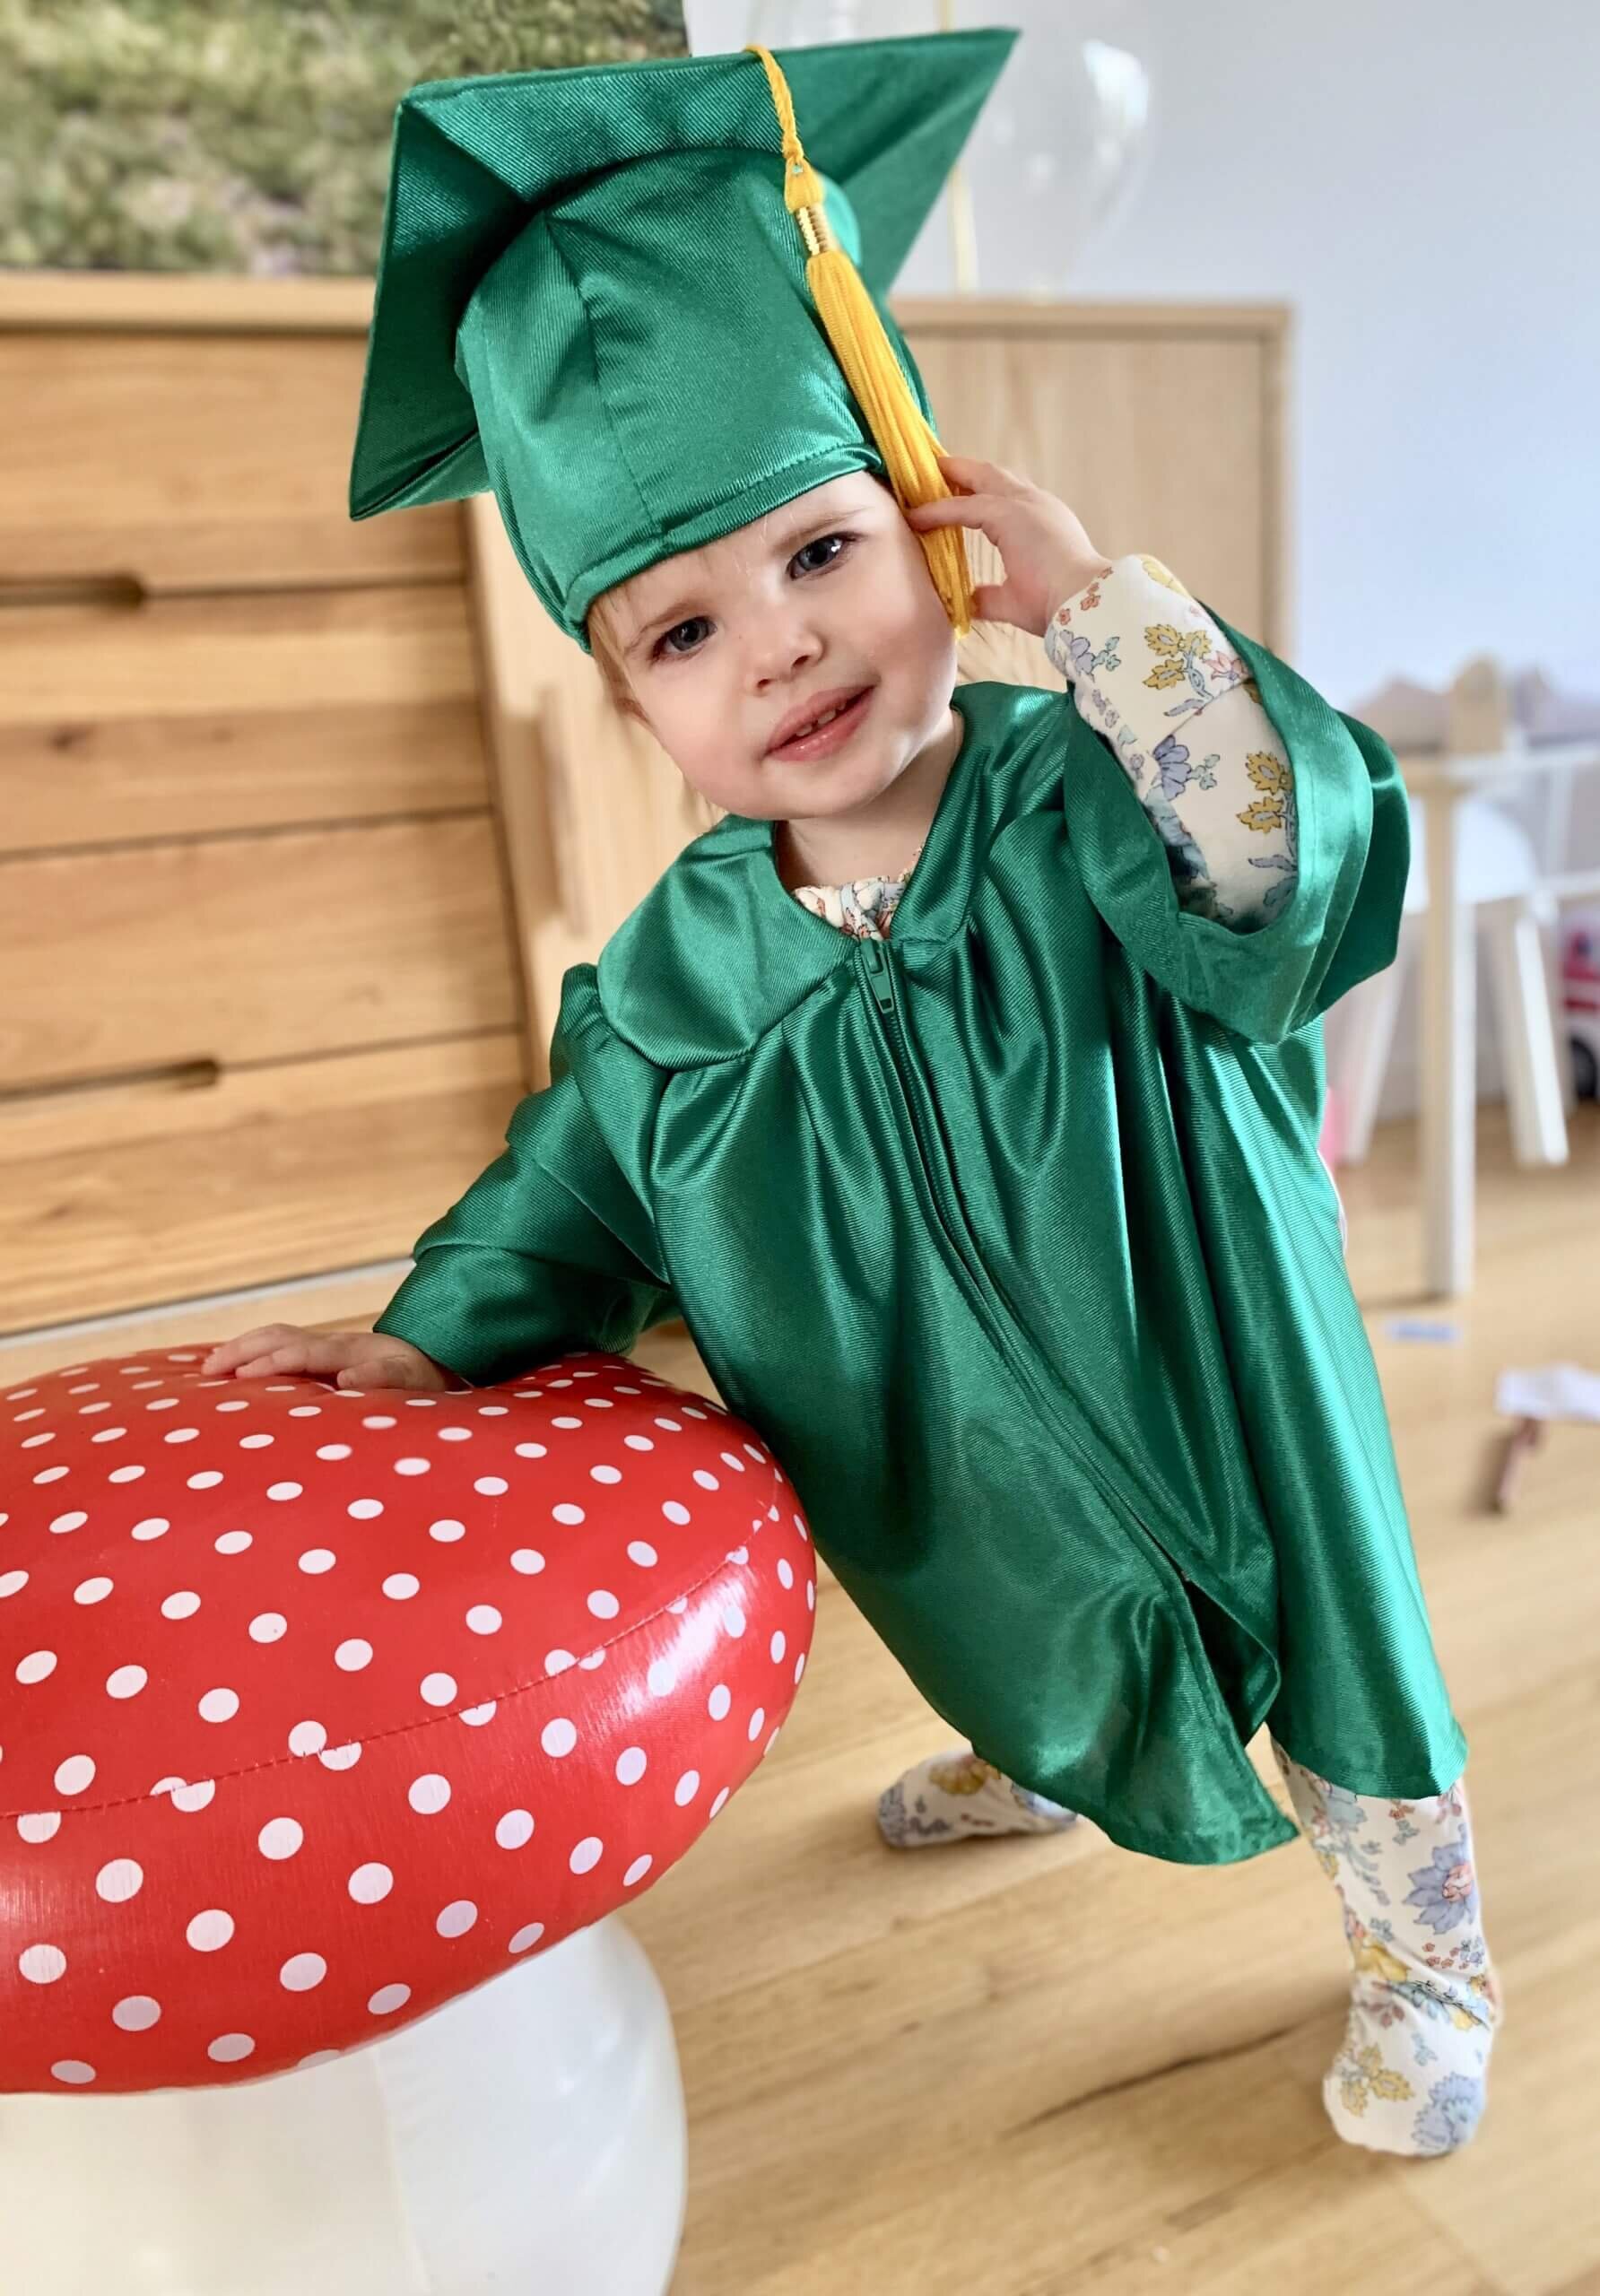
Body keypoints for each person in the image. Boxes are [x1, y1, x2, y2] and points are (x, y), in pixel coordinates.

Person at [203, 34, 1497, 2156]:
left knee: (1341, 1628)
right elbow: (572, 1190)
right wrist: (420, 1345)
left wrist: (1104, 617)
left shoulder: (1094, 794)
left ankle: (1422, 1946)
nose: (779, 649)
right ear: (628, 701)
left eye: (819, 554)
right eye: (684, 629)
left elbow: (1279, 862)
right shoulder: (677, 973)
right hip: (948, 1414)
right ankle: (1058, 1749)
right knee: (990, 1590)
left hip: (1221, 1346)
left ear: (926, 524)